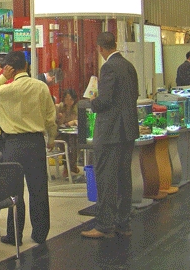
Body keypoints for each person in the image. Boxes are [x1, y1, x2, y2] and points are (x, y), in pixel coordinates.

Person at [0, 50, 57, 245]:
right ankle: (40, 234)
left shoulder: (7, 89)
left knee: (15, 191)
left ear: (9, 69)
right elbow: (50, 116)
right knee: (39, 189)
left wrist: (1, 78)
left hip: (13, 144)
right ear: (27, 66)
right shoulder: (41, 87)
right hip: (36, 142)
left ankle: (14, 235)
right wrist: (51, 138)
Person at [81, 32, 139, 239]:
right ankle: (123, 223)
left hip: (110, 132)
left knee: (106, 178)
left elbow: (104, 100)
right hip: (128, 131)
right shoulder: (129, 66)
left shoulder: (108, 67)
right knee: (124, 178)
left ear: (100, 48)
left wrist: (92, 102)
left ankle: (104, 225)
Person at [55, 88, 80, 177]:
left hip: (73, 134)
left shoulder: (76, 108)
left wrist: (73, 122)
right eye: (66, 99)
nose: (69, 101)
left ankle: (71, 165)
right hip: (60, 134)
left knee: (75, 142)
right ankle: (68, 167)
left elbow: (80, 121)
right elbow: (55, 123)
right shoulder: (59, 107)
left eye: (71, 99)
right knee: (65, 144)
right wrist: (59, 118)